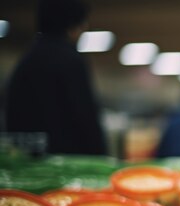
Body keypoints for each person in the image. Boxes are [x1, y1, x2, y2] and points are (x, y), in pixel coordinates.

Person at [4, 0, 107, 155]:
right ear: (73, 24)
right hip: (67, 162)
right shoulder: (70, 59)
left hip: (28, 159)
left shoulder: (26, 59)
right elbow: (85, 117)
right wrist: (101, 157)